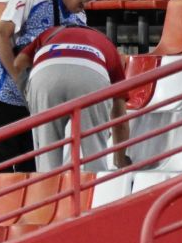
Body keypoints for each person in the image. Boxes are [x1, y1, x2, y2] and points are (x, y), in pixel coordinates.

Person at [0, 0, 98, 171]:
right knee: (1, 172)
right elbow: (1, 34)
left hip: (36, 102)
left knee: (32, 170)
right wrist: (19, 80)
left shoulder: (80, 18)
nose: (86, 4)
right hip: (2, 92)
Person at [24, 24, 130, 173]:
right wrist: (120, 160)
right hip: (91, 72)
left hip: (44, 72)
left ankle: (47, 190)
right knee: (95, 156)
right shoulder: (107, 45)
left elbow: (18, 63)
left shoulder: (48, 33)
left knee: (47, 158)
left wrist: (27, 93)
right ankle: (95, 189)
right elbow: (120, 118)